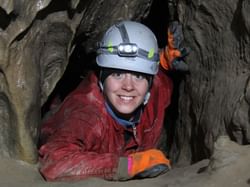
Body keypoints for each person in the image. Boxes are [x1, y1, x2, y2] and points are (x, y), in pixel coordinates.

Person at [38, 20, 188, 181]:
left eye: (138, 75)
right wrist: (129, 166)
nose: (128, 86)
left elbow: (159, 73)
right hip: (60, 123)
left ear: (150, 80)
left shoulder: (157, 89)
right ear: (102, 77)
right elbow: (55, 163)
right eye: (117, 74)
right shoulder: (87, 115)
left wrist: (165, 60)